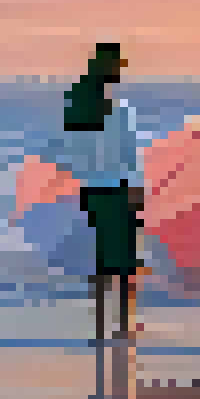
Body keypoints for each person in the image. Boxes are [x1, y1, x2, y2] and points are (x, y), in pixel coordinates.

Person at [50, 43, 143, 343]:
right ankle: (124, 324)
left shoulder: (80, 107)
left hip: (92, 190)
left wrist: (85, 177)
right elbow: (130, 154)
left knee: (103, 257)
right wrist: (136, 185)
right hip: (116, 187)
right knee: (125, 259)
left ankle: (103, 323)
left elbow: (70, 153)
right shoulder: (119, 109)